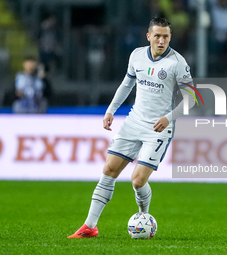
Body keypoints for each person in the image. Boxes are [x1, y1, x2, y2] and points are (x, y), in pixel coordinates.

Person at [68, 16, 195, 238]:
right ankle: (90, 226)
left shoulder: (177, 62)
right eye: (157, 36)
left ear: (170, 37)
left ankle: (143, 217)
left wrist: (169, 117)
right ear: (149, 36)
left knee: (137, 181)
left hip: (158, 128)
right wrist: (111, 110)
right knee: (109, 170)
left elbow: (191, 98)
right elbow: (127, 84)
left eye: (166, 36)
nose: (161, 40)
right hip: (134, 121)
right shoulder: (137, 55)